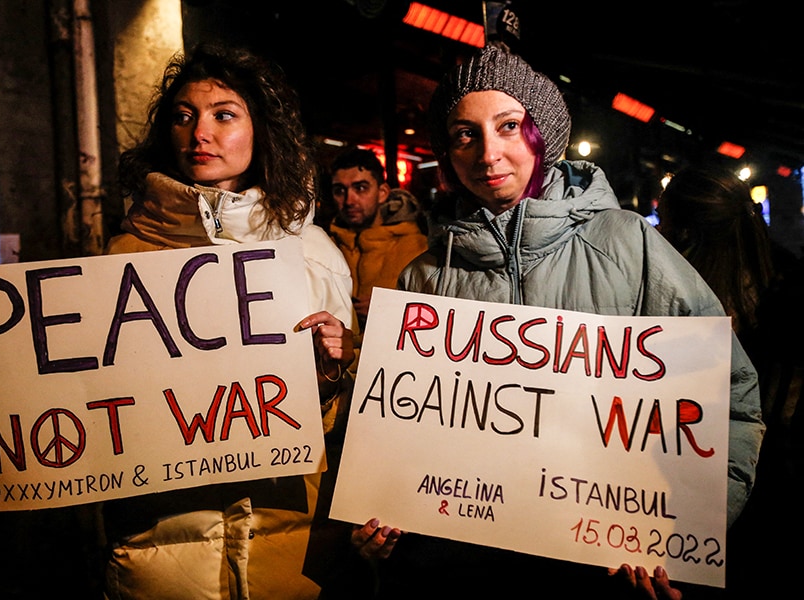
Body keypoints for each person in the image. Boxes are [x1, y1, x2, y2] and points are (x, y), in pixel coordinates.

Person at [343, 44, 765, 599]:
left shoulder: (627, 243)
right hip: (464, 570)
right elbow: (396, 423)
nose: (488, 154)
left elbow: (729, 396)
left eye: (509, 126)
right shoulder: (425, 274)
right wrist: (382, 512)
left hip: (596, 574)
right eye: (464, 134)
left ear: (541, 132)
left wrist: (684, 530)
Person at [0, 42, 358, 600]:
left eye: (224, 115)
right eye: (183, 116)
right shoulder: (122, 259)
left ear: (261, 130)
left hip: (287, 548)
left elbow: (334, 419)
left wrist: (334, 372)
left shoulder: (314, 255)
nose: (200, 134)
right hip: (159, 556)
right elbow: (80, 397)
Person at [657, 164, 803, 597]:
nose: (658, 234)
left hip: (721, 502)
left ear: (687, 234)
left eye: (663, 222)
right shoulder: (786, 283)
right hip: (773, 508)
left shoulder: (678, 303)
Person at [327, 147, 428, 339]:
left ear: (382, 192)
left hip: (389, 363)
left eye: (360, 188)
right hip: (334, 364)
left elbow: (436, 317)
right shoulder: (324, 247)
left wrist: (390, 309)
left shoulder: (417, 248)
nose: (349, 200)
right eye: (340, 190)